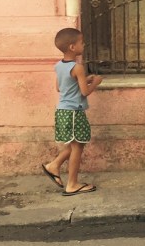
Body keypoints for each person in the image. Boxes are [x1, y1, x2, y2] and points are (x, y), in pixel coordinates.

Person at [41, 28, 102, 196]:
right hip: (74, 112)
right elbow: (85, 92)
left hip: (63, 110)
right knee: (77, 148)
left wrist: (84, 80)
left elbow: (59, 87)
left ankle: (53, 166)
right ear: (72, 47)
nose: (84, 44)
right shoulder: (77, 67)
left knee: (76, 144)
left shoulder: (59, 66)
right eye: (81, 42)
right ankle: (72, 184)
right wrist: (95, 82)